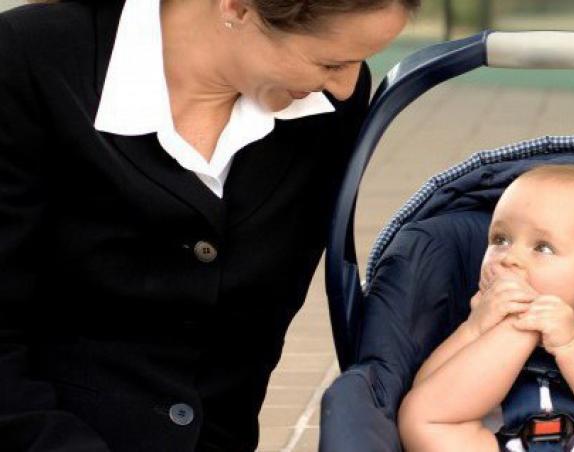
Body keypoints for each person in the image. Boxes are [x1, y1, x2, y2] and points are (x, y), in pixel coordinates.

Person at [0, 0, 416, 450]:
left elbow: (252, 337)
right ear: (236, 7)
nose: (348, 86)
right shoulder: (27, 59)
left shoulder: (326, 110)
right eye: (330, 62)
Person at [398, 165, 574, 452]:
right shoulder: (477, 327)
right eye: (500, 239)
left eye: (543, 248)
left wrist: (572, 346)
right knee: (417, 415)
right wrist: (483, 328)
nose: (509, 257)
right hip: (499, 442)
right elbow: (427, 395)